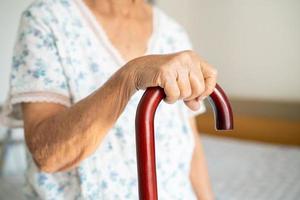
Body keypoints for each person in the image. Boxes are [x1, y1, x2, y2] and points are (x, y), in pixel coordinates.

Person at [1, 0, 217, 199]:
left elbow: (190, 144)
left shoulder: (173, 33)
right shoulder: (46, 20)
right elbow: (47, 155)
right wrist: (129, 77)